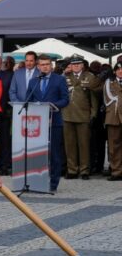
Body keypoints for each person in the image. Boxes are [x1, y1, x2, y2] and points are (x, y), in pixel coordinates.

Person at [25, 54, 70, 192]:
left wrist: (53, 105)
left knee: (54, 153)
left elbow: (65, 99)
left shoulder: (59, 80)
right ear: (38, 66)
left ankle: (53, 183)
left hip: (54, 121)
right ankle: (37, 180)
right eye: (42, 64)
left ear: (51, 65)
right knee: (38, 152)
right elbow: (28, 99)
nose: (45, 67)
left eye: (47, 64)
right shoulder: (34, 81)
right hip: (37, 123)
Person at [62, 57, 102, 180]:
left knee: (84, 144)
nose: (76, 66)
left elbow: (94, 97)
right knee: (70, 144)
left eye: (78, 64)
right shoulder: (65, 77)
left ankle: (84, 170)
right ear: (70, 66)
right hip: (67, 114)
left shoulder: (89, 77)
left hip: (83, 114)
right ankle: (72, 169)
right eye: (73, 64)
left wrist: (93, 113)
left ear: (82, 65)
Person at [104, 62, 122, 180]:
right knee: (114, 146)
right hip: (114, 117)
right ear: (115, 71)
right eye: (119, 69)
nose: (121, 71)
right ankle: (116, 171)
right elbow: (108, 98)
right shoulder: (109, 82)